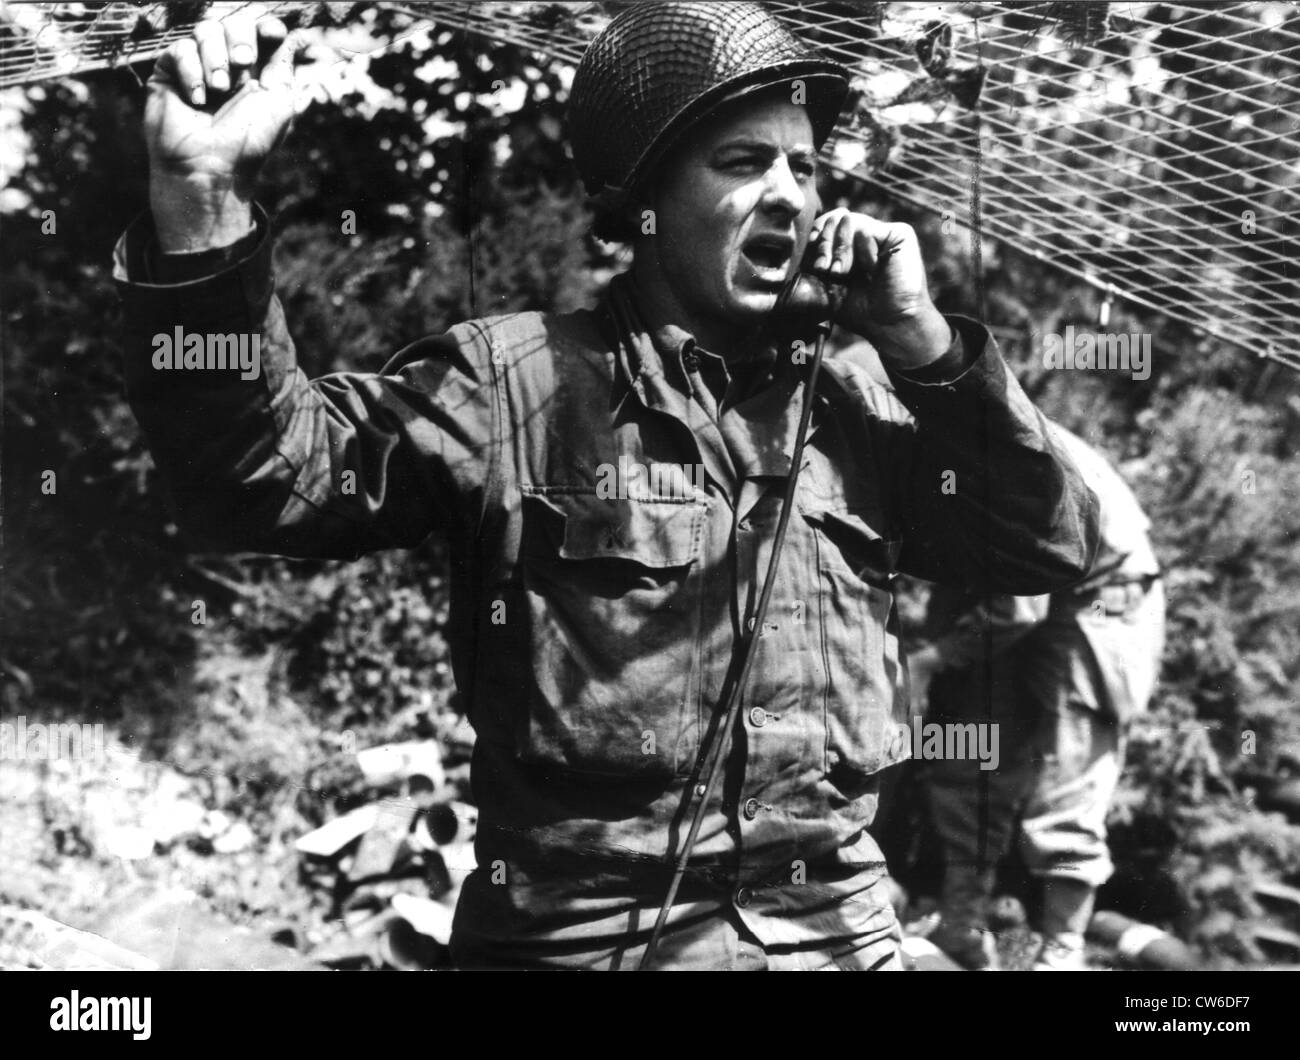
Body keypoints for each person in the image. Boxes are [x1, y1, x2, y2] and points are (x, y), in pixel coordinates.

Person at [113, 2, 1098, 969]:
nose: (792, 195)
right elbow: (261, 476)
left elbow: (1044, 545)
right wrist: (199, 199)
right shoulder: (515, 382)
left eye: (805, 166)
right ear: (644, 201)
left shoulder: (857, 404)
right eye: (744, 162)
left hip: (839, 920)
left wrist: (924, 341)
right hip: (589, 932)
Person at [909, 424, 1164, 970]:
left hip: (1096, 612)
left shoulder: (996, 448)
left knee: (1065, 789)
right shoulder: (945, 447)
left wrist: (928, 661)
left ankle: (1060, 954)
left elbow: (1019, 609)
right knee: (967, 762)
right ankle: (961, 930)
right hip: (1016, 601)